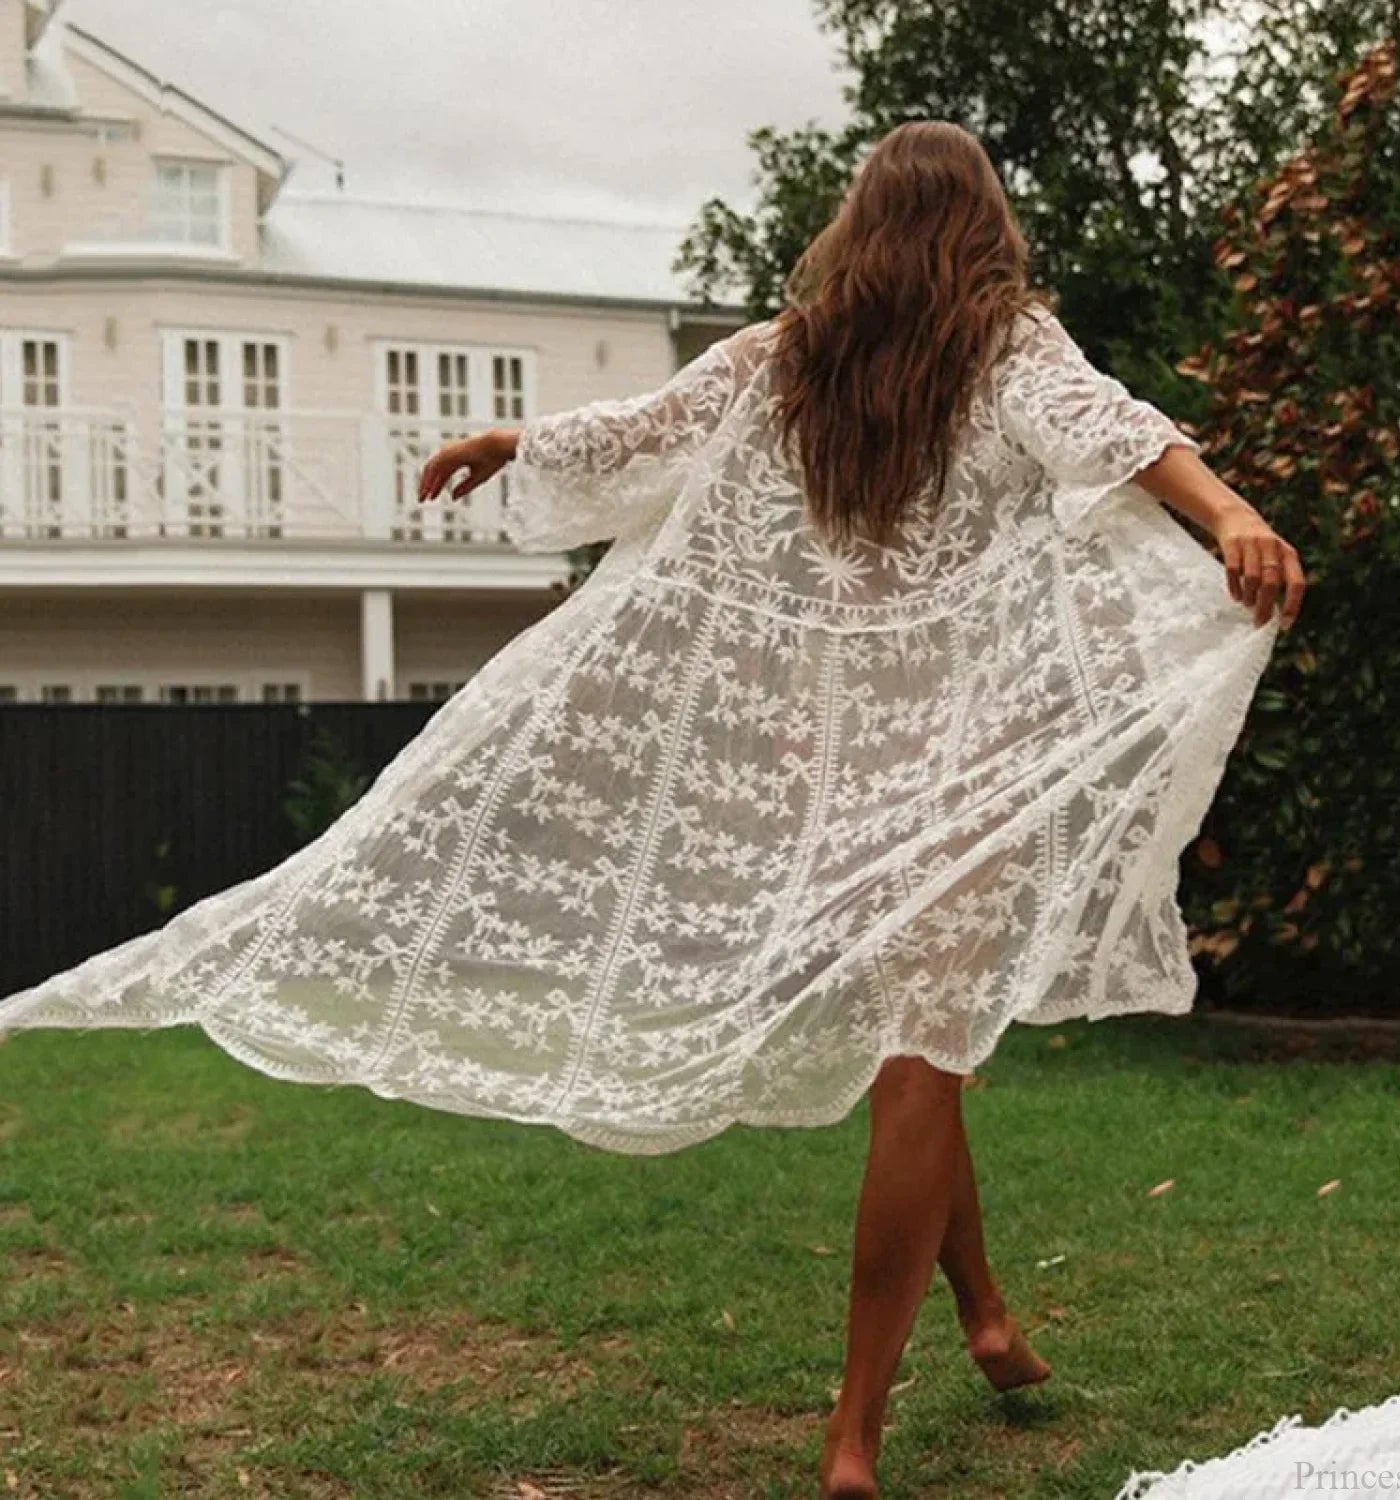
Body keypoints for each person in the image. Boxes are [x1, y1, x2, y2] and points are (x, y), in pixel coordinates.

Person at [1, 120, 1300, 1500]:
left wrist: (517, 441)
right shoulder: (996, 350)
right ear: (984, 227)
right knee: (924, 1061)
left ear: (861, 222)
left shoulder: (790, 358)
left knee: (919, 1055)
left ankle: (986, 1321)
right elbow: (1121, 436)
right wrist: (1225, 517)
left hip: (832, 776)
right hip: (951, 766)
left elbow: (635, 433)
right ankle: (854, 1434)